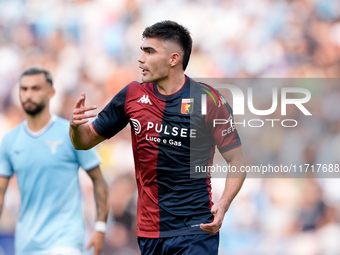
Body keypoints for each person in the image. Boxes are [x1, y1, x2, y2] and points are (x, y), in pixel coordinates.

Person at [70, 20, 246, 255]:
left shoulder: (208, 100)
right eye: (142, 51)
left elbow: (237, 160)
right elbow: (84, 141)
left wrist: (223, 204)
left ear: (174, 59)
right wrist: (75, 126)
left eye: (150, 52)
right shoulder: (132, 94)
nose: (141, 59)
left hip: (197, 230)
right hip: (150, 233)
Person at [0, 66, 109, 255]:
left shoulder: (70, 133)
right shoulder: (10, 140)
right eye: (24, 89)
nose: (28, 95)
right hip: (26, 243)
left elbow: (98, 180)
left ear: (51, 93)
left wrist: (100, 228)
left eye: (35, 88)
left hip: (65, 240)